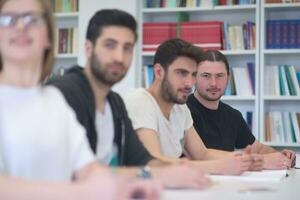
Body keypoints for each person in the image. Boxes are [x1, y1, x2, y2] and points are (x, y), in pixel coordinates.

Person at [0, 0, 161, 199]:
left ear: (49, 36)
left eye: (33, 19)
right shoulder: (65, 91)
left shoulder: (53, 101)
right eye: (8, 19)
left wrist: (132, 186)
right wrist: (83, 191)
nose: (21, 26)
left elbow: (90, 171)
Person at [48, 9, 209, 188]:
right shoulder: (62, 95)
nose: (119, 57)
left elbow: (142, 160)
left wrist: (182, 169)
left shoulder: (114, 102)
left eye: (127, 48)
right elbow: (76, 174)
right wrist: (156, 175)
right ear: (88, 48)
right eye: (110, 45)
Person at [125, 38, 264, 175]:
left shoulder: (180, 108)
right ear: (159, 72)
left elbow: (202, 154)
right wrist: (219, 166)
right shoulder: (140, 101)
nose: (189, 83)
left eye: (193, 75)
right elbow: (153, 162)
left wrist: (245, 160)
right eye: (181, 73)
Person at [186, 49, 296, 169]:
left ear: (228, 77)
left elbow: (258, 148)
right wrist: (259, 160)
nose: (214, 83)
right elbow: (201, 156)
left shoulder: (233, 115)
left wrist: (280, 156)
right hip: (197, 183)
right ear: (194, 77)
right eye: (206, 76)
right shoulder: (183, 111)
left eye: (220, 76)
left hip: (227, 183)